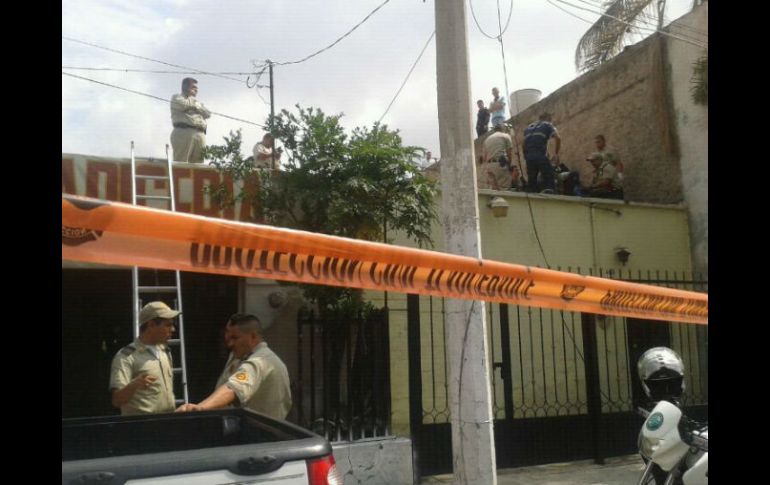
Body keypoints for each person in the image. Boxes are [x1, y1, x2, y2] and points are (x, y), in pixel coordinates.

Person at [176, 313, 292, 420]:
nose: (229, 343)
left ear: (253, 336)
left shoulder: (261, 361)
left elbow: (233, 388)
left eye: (235, 338)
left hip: (261, 431)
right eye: (227, 335)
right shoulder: (239, 355)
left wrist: (200, 408)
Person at [109, 301, 180, 415]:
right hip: (142, 424)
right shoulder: (126, 357)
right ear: (151, 325)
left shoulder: (165, 351)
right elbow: (116, 400)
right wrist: (134, 385)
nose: (173, 329)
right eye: (168, 325)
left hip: (168, 421)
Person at [170, 78, 211, 163]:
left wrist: (194, 107)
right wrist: (196, 106)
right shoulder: (177, 97)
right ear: (185, 87)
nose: (196, 90)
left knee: (199, 164)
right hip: (183, 131)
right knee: (181, 162)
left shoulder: (197, 102)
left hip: (200, 133)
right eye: (193, 87)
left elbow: (207, 113)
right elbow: (183, 105)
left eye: (197, 88)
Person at [522, 113, 560, 193]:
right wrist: (556, 154)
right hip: (540, 155)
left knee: (532, 181)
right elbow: (558, 138)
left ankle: (532, 194)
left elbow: (523, 144)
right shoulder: (547, 124)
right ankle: (549, 191)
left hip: (529, 157)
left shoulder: (528, 128)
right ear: (548, 119)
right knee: (548, 176)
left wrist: (526, 156)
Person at [482, 124, 514, 190]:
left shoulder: (487, 139)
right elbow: (509, 154)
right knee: (504, 189)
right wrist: (509, 165)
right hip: (500, 164)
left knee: (493, 190)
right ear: (503, 129)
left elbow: (484, 157)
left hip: (490, 166)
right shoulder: (506, 136)